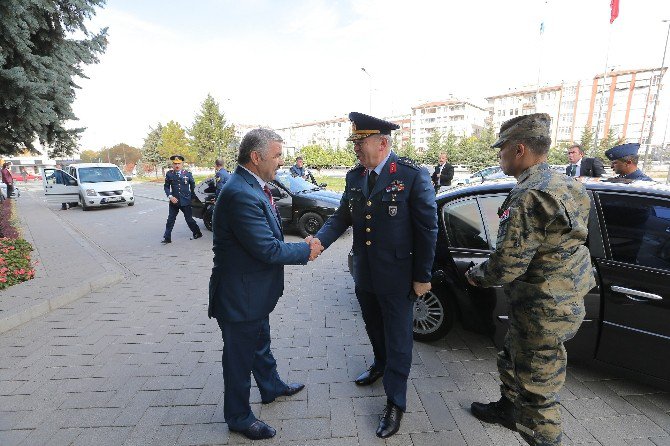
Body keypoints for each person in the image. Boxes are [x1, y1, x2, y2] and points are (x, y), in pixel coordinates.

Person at [464, 113, 595, 446]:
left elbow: (506, 264)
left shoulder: (528, 195)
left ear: (519, 149)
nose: (499, 156)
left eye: (502, 149)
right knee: (511, 357)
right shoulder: (568, 183)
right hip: (560, 299)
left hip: (543, 309)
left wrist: (475, 276)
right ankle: (508, 410)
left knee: (539, 395)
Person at [309, 112, 438, 438]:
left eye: (360, 142)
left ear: (382, 143)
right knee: (373, 326)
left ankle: (395, 402)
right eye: (353, 142)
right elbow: (341, 218)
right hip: (364, 272)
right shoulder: (355, 177)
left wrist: (423, 275)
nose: (355, 148)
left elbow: (427, 229)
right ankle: (380, 365)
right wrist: (318, 242)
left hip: (398, 276)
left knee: (398, 338)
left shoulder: (410, 175)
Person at [208, 128, 322, 441]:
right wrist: (306, 249)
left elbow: (267, 238)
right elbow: (267, 248)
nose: (281, 162)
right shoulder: (241, 193)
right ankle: (239, 417)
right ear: (256, 158)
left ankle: (270, 386)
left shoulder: (252, 186)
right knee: (238, 359)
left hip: (252, 294)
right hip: (240, 296)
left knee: (260, 344)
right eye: (277, 155)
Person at [161, 155, 202, 244]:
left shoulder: (187, 174)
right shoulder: (169, 174)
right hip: (174, 202)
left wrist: (192, 197)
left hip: (185, 201)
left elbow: (193, 187)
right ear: (172, 164)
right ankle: (167, 237)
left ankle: (197, 233)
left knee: (189, 220)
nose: (177, 165)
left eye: (179, 163)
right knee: (170, 220)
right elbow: (166, 187)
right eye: (175, 163)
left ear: (182, 164)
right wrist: (170, 196)